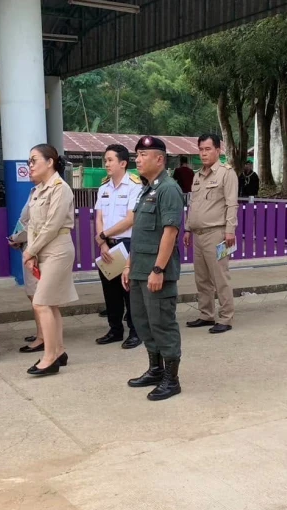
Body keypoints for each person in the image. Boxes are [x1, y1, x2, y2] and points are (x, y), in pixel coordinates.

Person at [122, 136, 185, 401]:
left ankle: (172, 379)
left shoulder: (168, 189)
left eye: (142, 155)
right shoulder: (146, 189)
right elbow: (139, 233)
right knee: (143, 322)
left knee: (162, 324)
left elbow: (170, 232)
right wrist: (128, 265)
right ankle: (156, 369)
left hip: (156, 272)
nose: (137, 160)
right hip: (139, 270)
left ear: (159, 159)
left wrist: (158, 270)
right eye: (137, 155)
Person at [21, 144, 78, 376]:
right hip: (42, 249)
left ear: (50, 162)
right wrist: (33, 252)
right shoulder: (38, 190)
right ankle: (59, 350)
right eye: (29, 161)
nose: (30, 165)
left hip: (58, 249)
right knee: (50, 303)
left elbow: (52, 225)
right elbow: (32, 225)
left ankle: (49, 357)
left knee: (41, 302)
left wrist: (30, 251)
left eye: (34, 160)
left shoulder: (60, 189)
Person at [184, 133, 238, 334]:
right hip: (198, 234)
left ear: (218, 150)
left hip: (217, 233)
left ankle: (226, 318)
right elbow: (193, 205)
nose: (203, 153)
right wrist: (188, 228)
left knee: (220, 277)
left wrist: (230, 231)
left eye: (208, 149)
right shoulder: (197, 175)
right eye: (201, 149)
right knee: (202, 278)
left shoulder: (226, 173)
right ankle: (206, 314)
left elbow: (232, 204)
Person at [94, 144, 142, 349]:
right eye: (105, 160)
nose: (106, 164)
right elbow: (99, 217)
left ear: (123, 163)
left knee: (129, 290)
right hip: (107, 245)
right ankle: (115, 329)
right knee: (110, 290)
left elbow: (131, 219)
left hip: (126, 244)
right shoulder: (103, 187)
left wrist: (103, 235)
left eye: (110, 160)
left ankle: (135, 331)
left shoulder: (134, 186)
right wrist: (103, 242)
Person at [9, 202, 44, 352]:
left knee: (38, 296)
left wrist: (17, 238)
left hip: (36, 249)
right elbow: (24, 221)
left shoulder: (51, 192)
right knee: (34, 295)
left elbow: (37, 224)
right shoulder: (34, 192)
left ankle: (43, 337)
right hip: (28, 246)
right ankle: (42, 332)